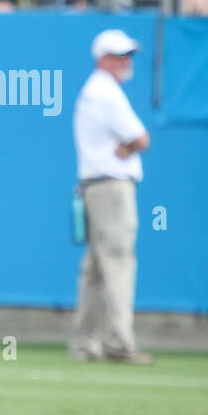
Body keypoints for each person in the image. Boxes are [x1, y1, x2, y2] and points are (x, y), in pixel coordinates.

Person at [68, 29, 152, 364]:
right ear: (103, 59)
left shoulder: (95, 91)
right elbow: (141, 138)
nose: (126, 62)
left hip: (96, 186)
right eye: (119, 56)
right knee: (117, 263)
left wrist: (128, 145)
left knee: (96, 268)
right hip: (111, 188)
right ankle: (118, 342)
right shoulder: (105, 92)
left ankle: (84, 343)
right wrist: (131, 145)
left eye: (128, 55)